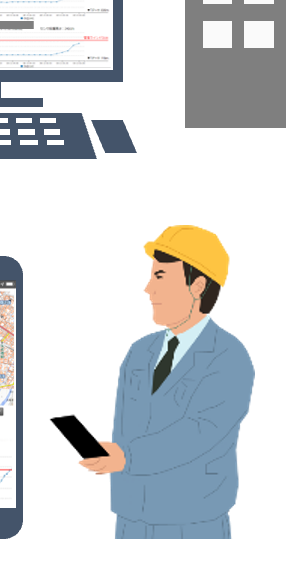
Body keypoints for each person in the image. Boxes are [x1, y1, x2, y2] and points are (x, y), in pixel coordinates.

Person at [81, 226, 255, 538]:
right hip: (131, 519)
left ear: (197, 286)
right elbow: (123, 427)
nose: (147, 288)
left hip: (193, 524)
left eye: (160, 277)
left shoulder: (229, 357)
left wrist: (127, 458)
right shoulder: (139, 352)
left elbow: (200, 432)